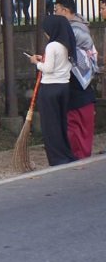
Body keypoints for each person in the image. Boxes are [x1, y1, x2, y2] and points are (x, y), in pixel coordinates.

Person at [28, 15, 77, 166]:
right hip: (64, 86)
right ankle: (65, 154)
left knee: (50, 126)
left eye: (46, 30)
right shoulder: (66, 44)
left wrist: (36, 63)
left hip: (50, 88)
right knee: (61, 123)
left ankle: (57, 158)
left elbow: (48, 69)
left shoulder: (52, 46)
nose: (45, 33)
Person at [55, 0, 99, 159]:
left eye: (56, 10)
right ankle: (80, 155)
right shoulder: (79, 26)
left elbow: (67, 51)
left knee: (77, 125)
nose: (55, 13)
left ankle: (78, 156)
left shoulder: (73, 29)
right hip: (81, 86)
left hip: (77, 82)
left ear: (65, 10)